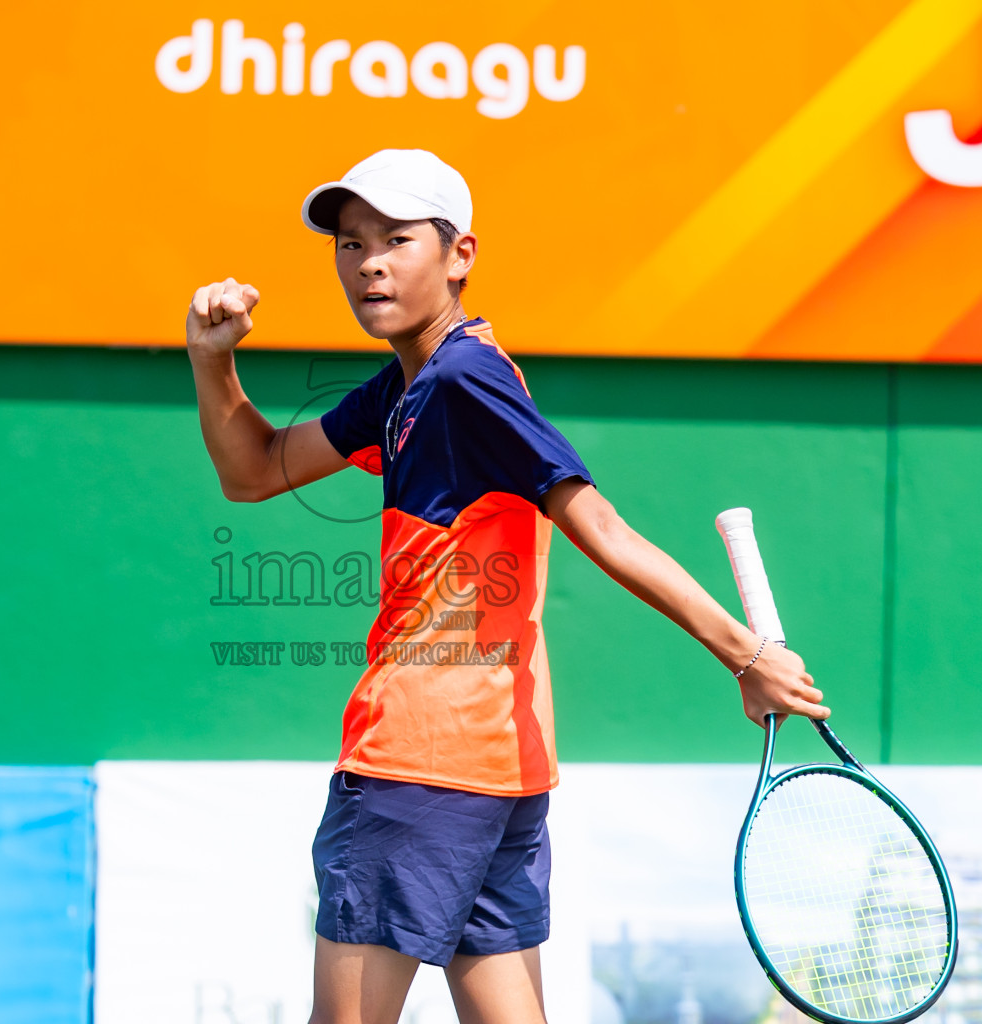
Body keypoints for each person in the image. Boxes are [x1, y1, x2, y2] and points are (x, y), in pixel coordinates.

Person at [184, 148, 827, 1024]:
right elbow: (254, 470)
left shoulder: (461, 379)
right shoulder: (406, 387)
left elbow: (601, 527)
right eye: (349, 242)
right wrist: (212, 360)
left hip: (415, 767)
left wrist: (744, 654)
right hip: (503, 772)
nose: (368, 261)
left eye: (398, 239)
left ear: (460, 255)